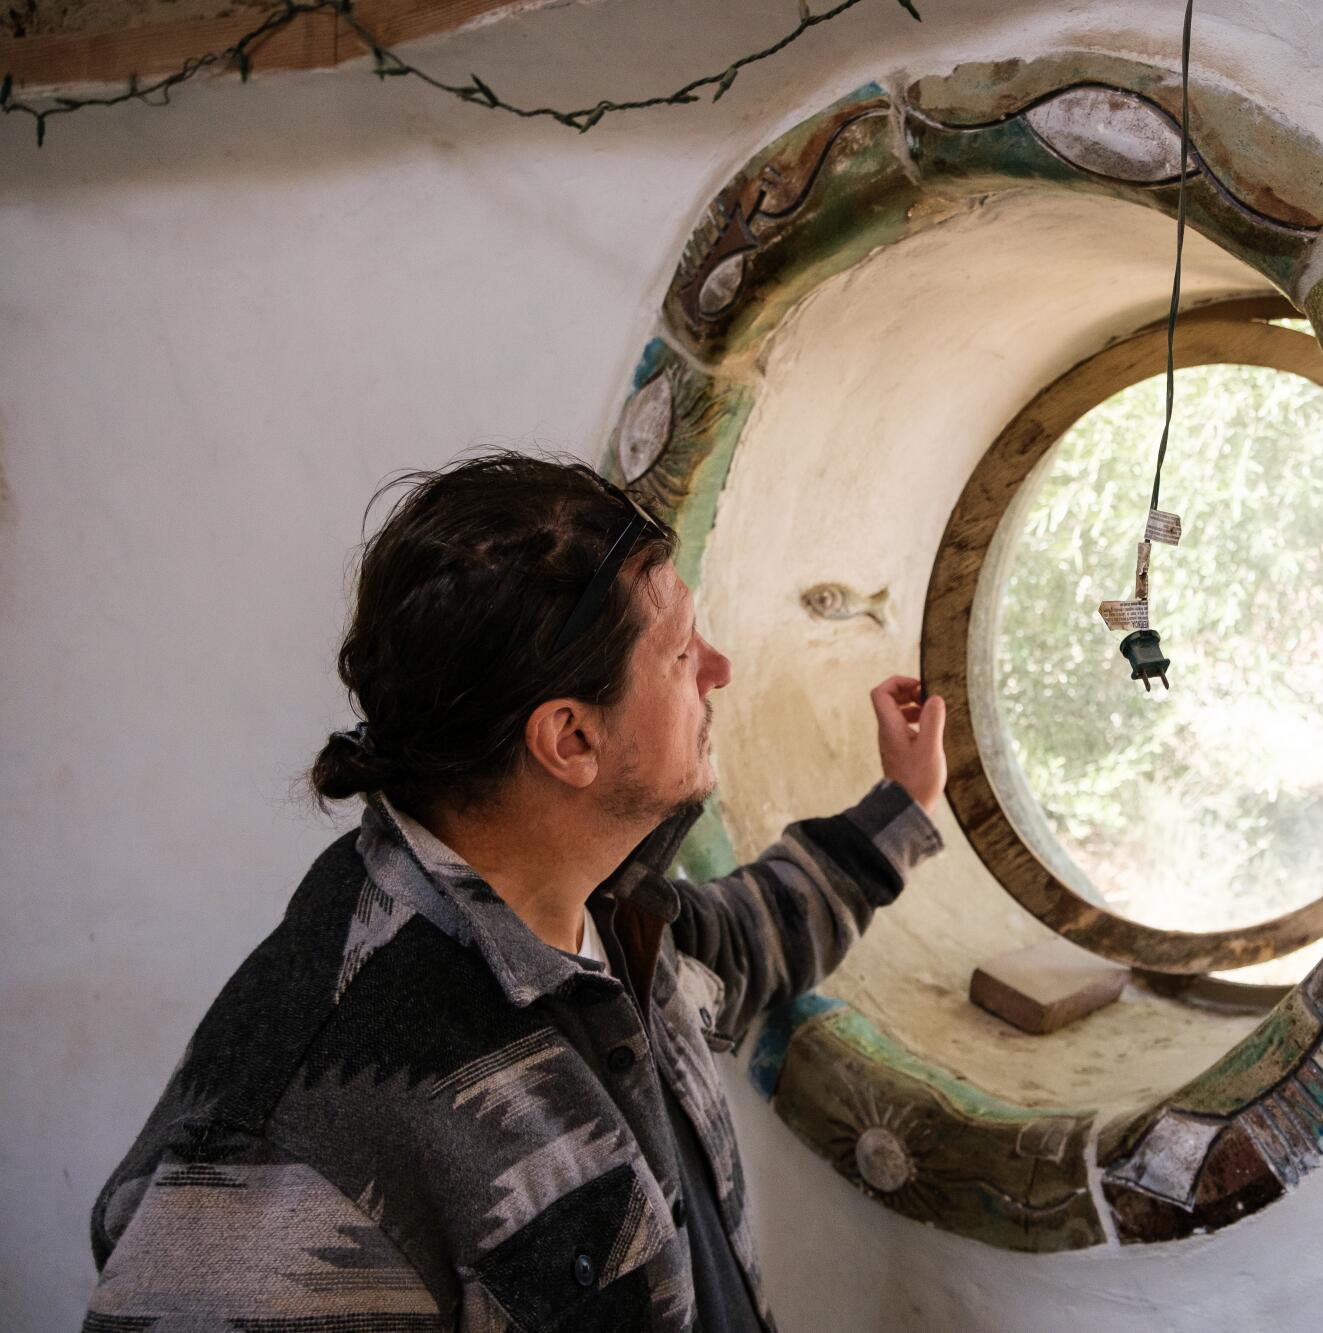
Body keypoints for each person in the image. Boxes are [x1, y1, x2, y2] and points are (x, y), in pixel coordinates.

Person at [84, 452, 947, 1331]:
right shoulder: (299, 1137)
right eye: (683, 651)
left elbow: (745, 941)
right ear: (571, 739)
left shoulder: (610, 907)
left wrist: (902, 804)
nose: (718, 669)